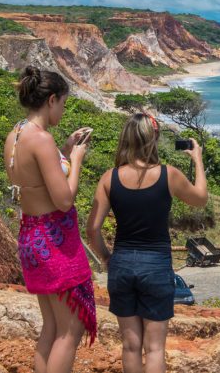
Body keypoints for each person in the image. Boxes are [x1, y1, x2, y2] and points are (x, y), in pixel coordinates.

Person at [87, 113, 207, 373]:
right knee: (154, 348)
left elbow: (93, 229)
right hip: (156, 265)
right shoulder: (168, 175)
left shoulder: (110, 178)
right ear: (154, 140)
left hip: (122, 264)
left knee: (130, 346)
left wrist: (107, 258)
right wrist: (197, 160)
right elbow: (200, 199)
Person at [4, 66, 95, 373]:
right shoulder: (41, 140)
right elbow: (63, 199)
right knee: (70, 331)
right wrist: (77, 161)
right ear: (52, 99)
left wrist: (66, 151)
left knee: (51, 328)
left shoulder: (15, 134)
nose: (63, 110)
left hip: (31, 236)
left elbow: (37, 183)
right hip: (53, 240)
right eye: (63, 103)